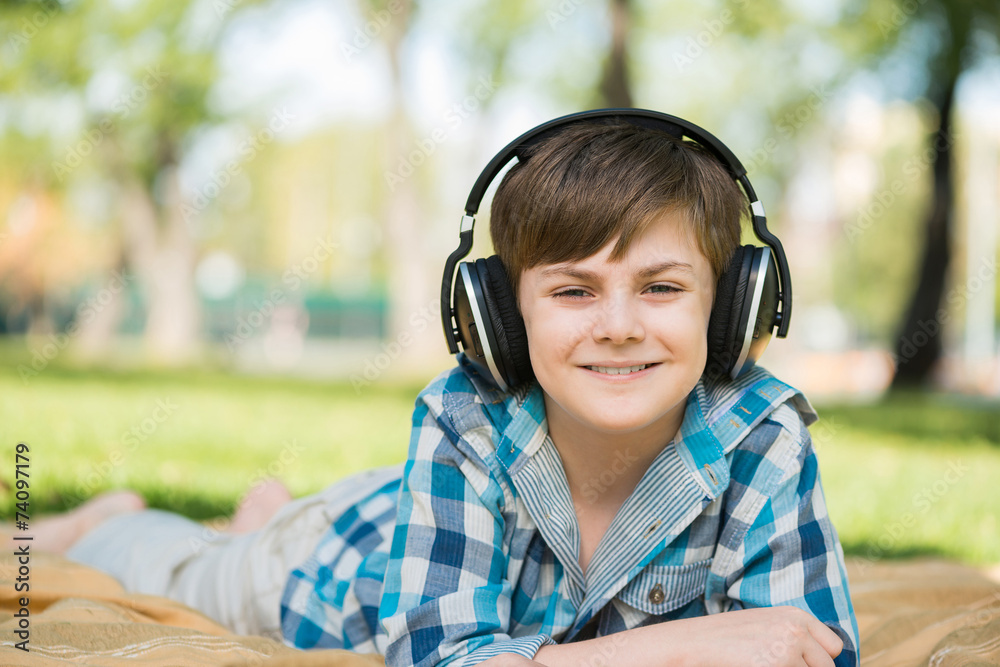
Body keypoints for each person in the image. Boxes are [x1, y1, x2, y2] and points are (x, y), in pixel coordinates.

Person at [36, 112, 859, 667]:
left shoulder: (765, 437)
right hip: (330, 563)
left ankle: (267, 504)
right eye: (573, 291)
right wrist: (685, 646)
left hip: (408, 520)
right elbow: (447, 655)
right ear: (500, 316)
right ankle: (118, 516)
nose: (618, 325)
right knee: (168, 566)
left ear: (732, 308)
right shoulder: (464, 417)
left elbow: (803, 645)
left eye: (662, 288)